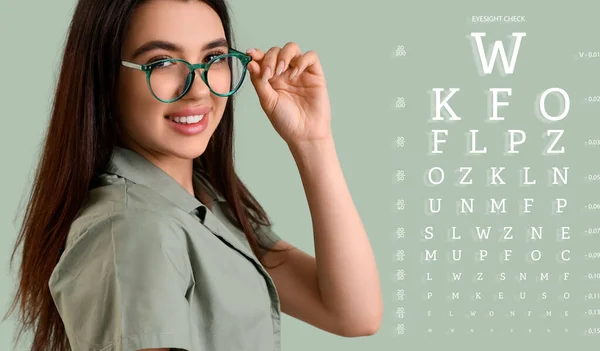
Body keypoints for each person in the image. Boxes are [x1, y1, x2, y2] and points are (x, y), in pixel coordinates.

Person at [4, 0, 382, 350]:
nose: (199, 89)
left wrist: (312, 139)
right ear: (106, 77)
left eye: (214, 57)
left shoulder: (203, 204)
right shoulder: (135, 229)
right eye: (163, 63)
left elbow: (353, 313)